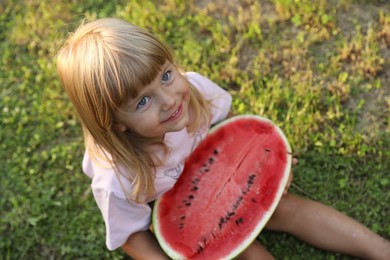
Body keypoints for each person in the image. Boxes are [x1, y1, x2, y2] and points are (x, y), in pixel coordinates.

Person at [56, 18, 390, 259]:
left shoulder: (196, 91)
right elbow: (130, 235)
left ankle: (381, 250)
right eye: (142, 101)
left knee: (286, 209)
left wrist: (268, 166)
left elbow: (235, 134)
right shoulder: (118, 179)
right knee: (241, 252)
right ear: (117, 125)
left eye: (167, 76)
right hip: (178, 210)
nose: (170, 100)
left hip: (218, 170)